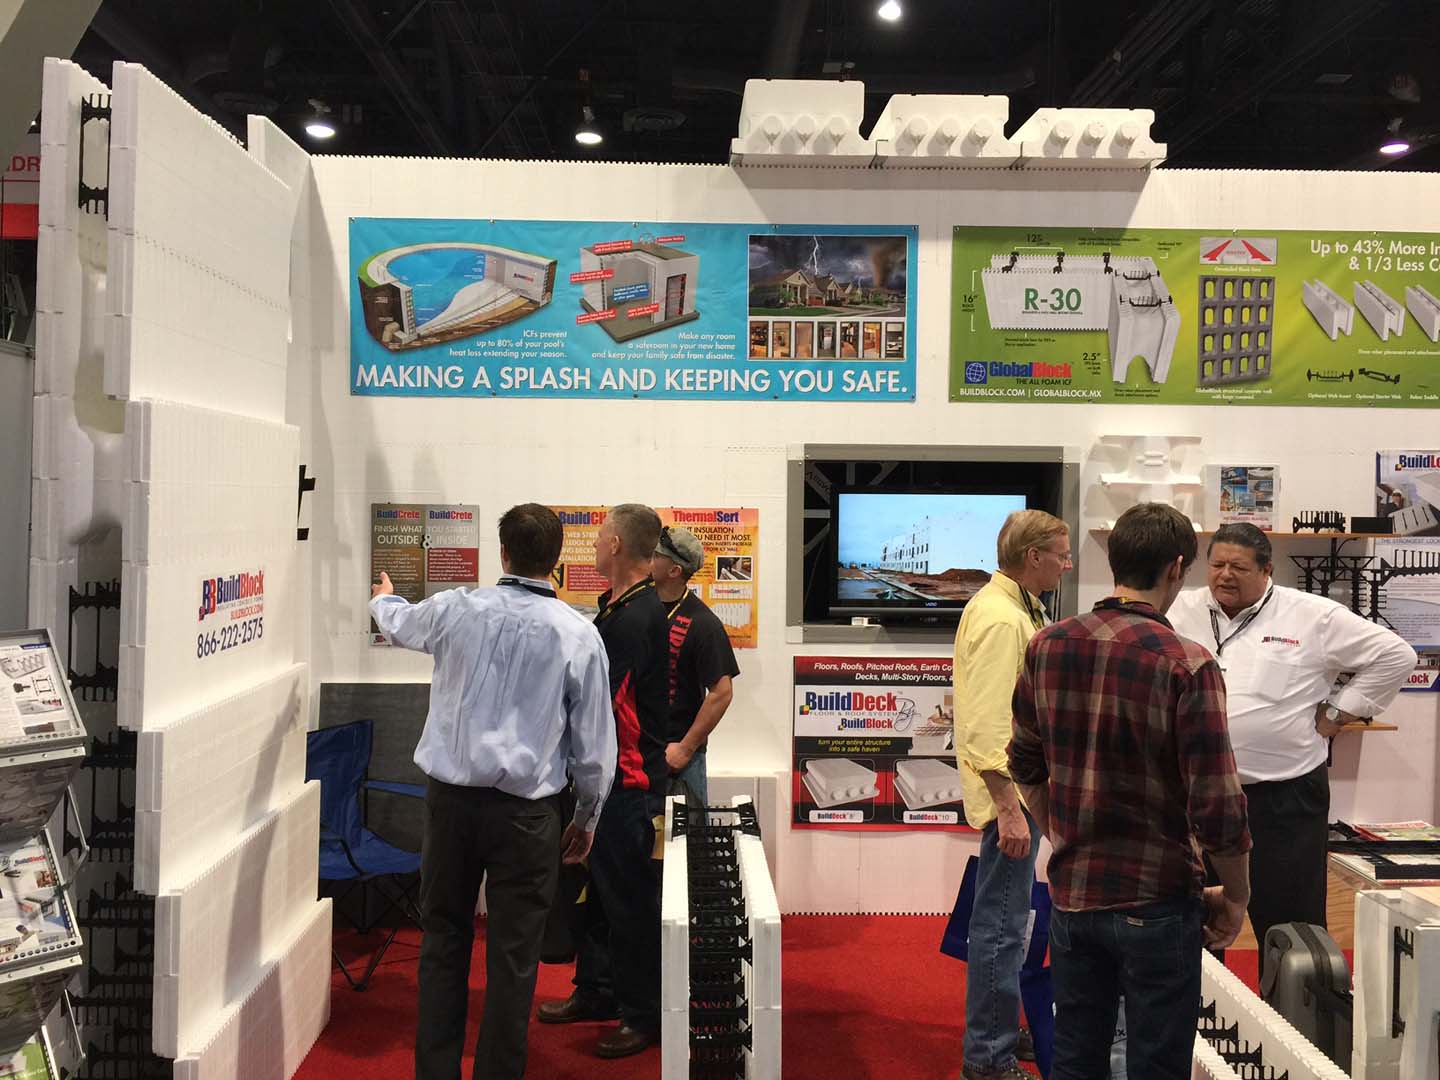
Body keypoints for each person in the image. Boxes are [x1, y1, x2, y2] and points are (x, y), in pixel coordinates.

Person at [368, 503, 617, 1080]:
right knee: (514, 956)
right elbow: (594, 747)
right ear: (557, 560)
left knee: (442, 940)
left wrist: (382, 597)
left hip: (450, 808)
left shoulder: (457, 608)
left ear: (502, 553)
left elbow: (398, 622)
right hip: (529, 819)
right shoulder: (578, 634)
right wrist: (586, 818)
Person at [1008, 502, 1253, 1080]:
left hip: (1074, 895)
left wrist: (1062, 834)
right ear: (1177, 568)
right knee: (1157, 1063)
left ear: (1113, 561)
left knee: (1074, 1057)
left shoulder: (1047, 645)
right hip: (1157, 899)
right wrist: (1238, 895)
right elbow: (1217, 804)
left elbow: (1023, 763)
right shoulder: (1188, 664)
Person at [1167, 522, 1416, 970]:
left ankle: (1294, 1011)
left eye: (1239, 567)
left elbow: (1396, 655)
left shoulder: (1313, 615)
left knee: (1291, 927)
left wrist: (1339, 712)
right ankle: (1193, 1012)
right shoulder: (1178, 610)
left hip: (1283, 798)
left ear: (1267, 570)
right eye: (1217, 564)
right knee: (1186, 922)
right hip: (1192, 798)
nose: (1225, 575)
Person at [538, 503, 668, 1058]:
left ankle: (642, 1015)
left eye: (599, 536)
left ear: (616, 545)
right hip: (604, 778)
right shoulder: (617, 608)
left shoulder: (637, 618)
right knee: (594, 898)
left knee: (629, 903)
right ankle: (596, 990)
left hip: (626, 784)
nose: (593, 544)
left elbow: (597, 699)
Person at [952, 509, 1071, 1080]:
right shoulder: (1003, 619)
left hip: (1019, 792)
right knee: (1000, 929)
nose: (1067, 565)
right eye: (1061, 556)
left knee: (1004, 922)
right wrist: (1008, 809)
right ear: (1033, 557)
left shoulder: (1016, 607)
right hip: (1012, 799)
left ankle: (996, 1032)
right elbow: (986, 724)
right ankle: (987, 1058)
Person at [649, 525, 741, 807]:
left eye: (656, 555)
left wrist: (685, 749)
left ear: (674, 570)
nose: (649, 558)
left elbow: (722, 692)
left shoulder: (703, 623)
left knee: (685, 833)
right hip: (641, 752)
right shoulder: (640, 608)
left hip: (678, 760)